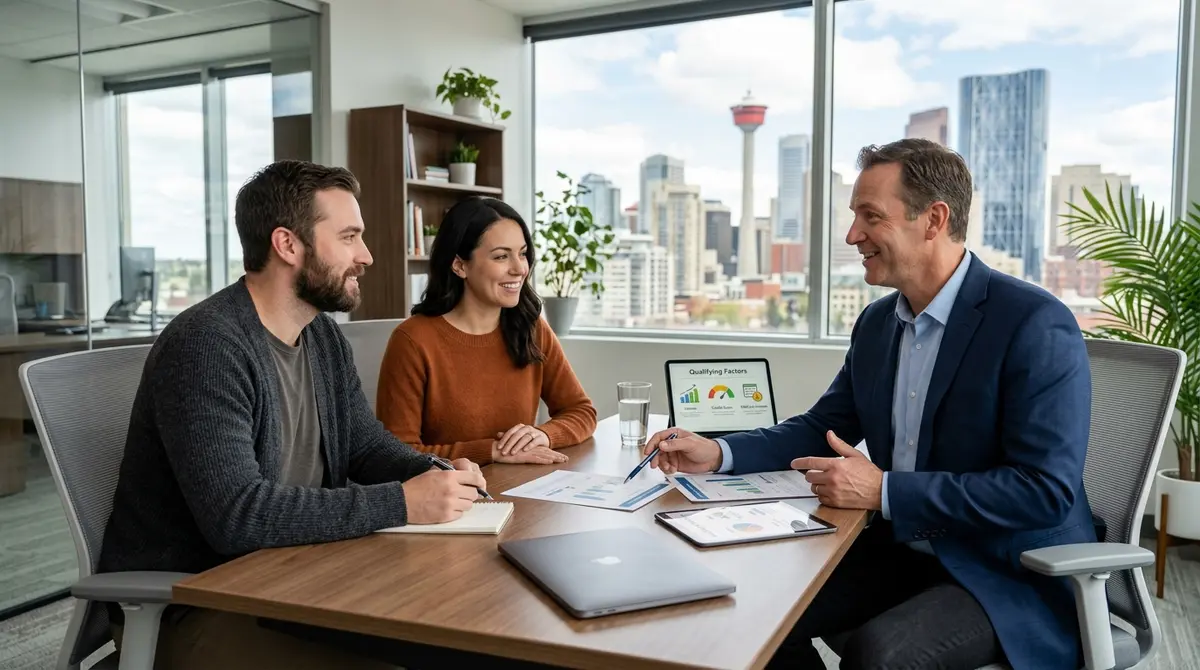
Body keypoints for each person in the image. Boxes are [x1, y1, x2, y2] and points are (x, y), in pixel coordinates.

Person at [643, 139, 1095, 670]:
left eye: (870, 216)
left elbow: (1043, 491)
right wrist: (718, 452)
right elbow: (823, 426)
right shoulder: (879, 324)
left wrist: (884, 490)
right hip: (902, 549)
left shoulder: (1033, 322)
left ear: (933, 219)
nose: (852, 235)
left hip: (1006, 570)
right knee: (750, 606)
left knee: (878, 655)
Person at [97, 160, 488, 670]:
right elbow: (238, 516)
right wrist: (401, 502)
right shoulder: (207, 346)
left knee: (453, 634)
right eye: (348, 237)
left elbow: (363, 444)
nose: (366, 255)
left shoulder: (320, 335)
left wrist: (435, 474)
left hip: (294, 578)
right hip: (196, 606)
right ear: (287, 244)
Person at [376, 197, 597, 465]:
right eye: (501, 256)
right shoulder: (412, 341)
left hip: (521, 484)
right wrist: (491, 451)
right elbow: (396, 455)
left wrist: (543, 435)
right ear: (460, 265)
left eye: (522, 253)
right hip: (451, 489)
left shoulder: (531, 327)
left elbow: (581, 411)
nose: (520, 268)